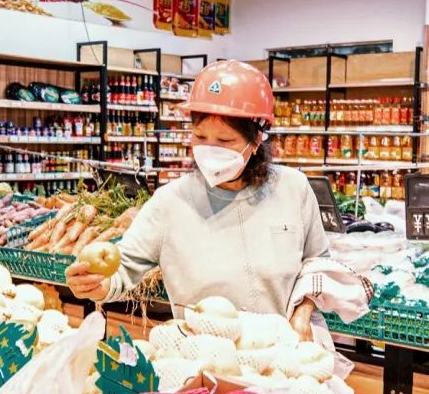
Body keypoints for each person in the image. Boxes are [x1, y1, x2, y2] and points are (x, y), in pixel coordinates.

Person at [65, 60, 326, 332]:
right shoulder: (170, 202)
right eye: (200, 137)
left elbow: (318, 264)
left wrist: (303, 313)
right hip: (203, 357)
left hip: (282, 355)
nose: (210, 151)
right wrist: (96, 284)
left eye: (225, 141)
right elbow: (123, 267)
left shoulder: (293, 190)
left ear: (258, 139)